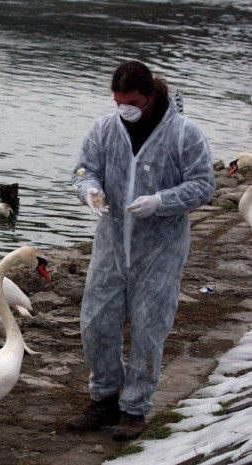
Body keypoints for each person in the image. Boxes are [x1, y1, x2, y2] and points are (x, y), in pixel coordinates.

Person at [68, 60, 215, 441]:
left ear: (150, 96)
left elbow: (203, 185)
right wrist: (91, 192)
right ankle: (103, 400)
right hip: (112, 245)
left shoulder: (184, 135)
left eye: (131, 100)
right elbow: (84, 170)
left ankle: (134, 409)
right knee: (96, 323)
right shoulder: (104, 129)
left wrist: (162, 201)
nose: (124, 108)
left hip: (160, 250)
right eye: (118, 101)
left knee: (149, 329)